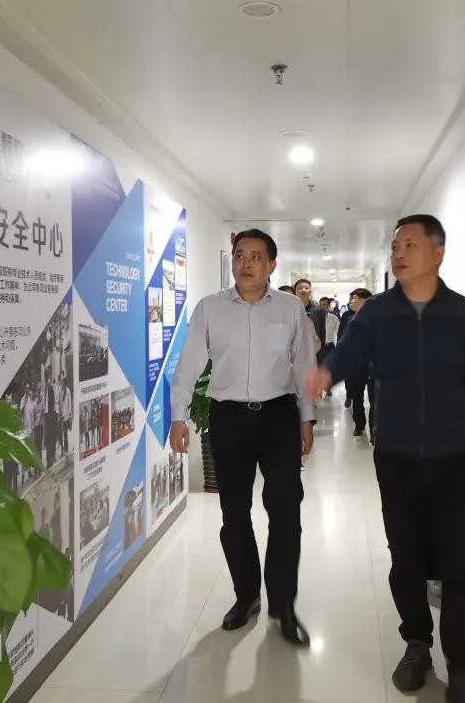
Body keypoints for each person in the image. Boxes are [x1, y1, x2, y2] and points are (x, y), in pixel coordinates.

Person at [306, 214, 465, 703]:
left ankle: (461, 668)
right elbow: (349, 354)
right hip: (395, 456)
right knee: (406, 559)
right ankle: (417, 643)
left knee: (460, 565)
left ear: (437, 253)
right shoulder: (376, 314)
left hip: (454, 456)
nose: (398, 254)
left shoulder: (464, 315)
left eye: (409, 245)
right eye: (395, 246)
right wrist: (327, 372)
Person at [171, 229, 317, 646]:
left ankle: (284, 606)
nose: (246, 263)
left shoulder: (290, 308)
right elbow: (188, 364)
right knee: (234, 513)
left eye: (255, 256)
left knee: (285, 512)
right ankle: (247, 595)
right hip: (229, 418)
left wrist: (306, 418)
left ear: (271, 265)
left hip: (278, 418)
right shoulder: (210, 308)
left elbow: (303, 364)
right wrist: (178, 417)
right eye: (239, 255)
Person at [342, 288, 375, 439]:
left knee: (375, 399)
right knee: (357, 397)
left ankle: (374, 431)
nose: (351, 301)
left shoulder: (378, 318)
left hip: (374, 365)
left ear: (364, 300)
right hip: (355, 365)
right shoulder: (349, 318)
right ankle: (359, 425)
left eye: (354, 298)